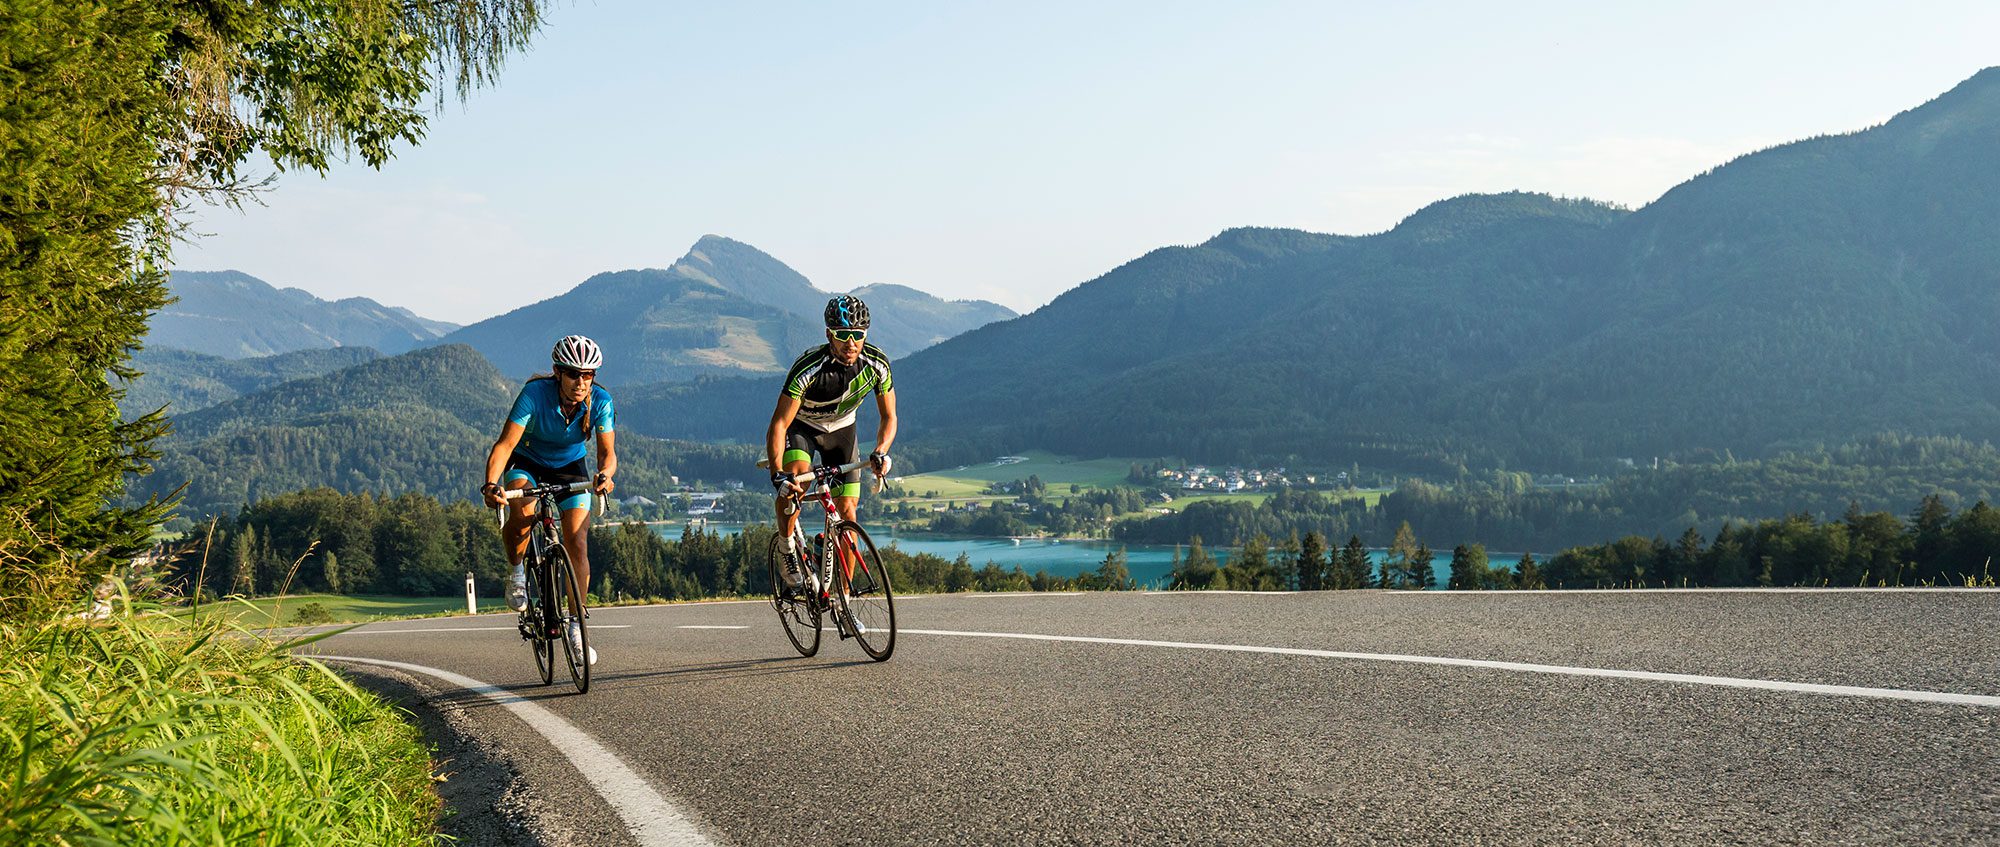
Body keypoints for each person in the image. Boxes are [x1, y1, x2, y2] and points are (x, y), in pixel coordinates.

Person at [482, 335, 616, 666]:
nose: (581, 382)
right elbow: (504, 446)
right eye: (573, 374)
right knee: (522, 513)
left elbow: (607, 454)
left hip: (571, 467)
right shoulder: (534, 394)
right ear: (558, 372)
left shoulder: (601, 401)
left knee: (577, 541)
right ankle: (517, 571)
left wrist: (604, 475)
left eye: (588, 375)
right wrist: (491, 485)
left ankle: (576, 627)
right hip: (527, 462)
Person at [767, 295, 896, 601]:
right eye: (843, 335)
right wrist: (777, 473)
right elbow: (779, 424)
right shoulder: (808, 368)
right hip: (803, 428)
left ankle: (845, 599)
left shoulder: (877, 364)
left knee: (848, 511)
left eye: (858, 335)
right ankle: (787, 547)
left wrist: (881, 450)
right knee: (797, 481)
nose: (851, 343)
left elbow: (889, 416)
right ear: (829, 334)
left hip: (842, 430)